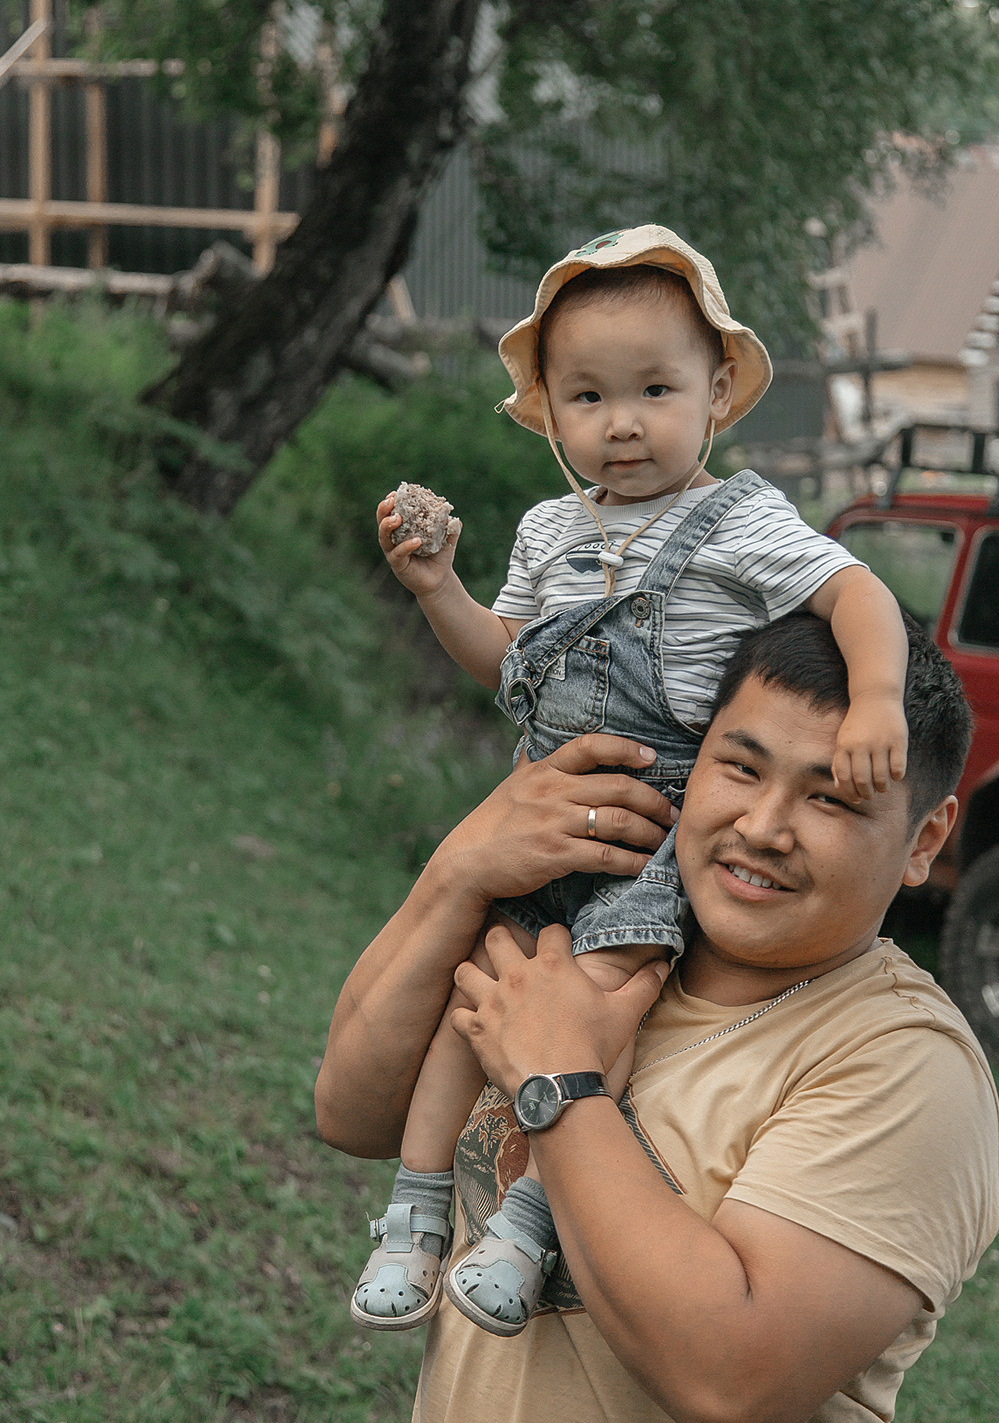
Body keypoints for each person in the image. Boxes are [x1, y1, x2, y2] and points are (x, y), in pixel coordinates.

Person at [316, 612, 999, 1423]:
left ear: (925, 838)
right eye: (740, 768)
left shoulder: (903, 1064)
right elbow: (350, 1110)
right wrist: (461, 869)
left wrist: (558, 1081)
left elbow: (729, 1387)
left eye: (832, 799)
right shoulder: (579, 941)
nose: (762, 828)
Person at [353, 225, 911, 1336]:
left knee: (601, 998)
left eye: (655, 390)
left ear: (716, 396)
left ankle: (527, 1222)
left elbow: (855, 592)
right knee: (477, 997)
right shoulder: (547, 531)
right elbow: (507, 660)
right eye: (588, 396)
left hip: (660, 821)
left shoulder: (743, 518)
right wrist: (437, 590)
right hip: (545, 803)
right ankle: (414, 1216)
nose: (622, 423)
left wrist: (877, 699)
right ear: (550, 414)